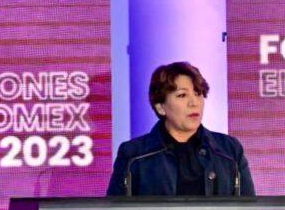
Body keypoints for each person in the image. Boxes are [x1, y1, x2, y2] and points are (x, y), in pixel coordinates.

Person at [106, 62, 255, 197]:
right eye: (182, 95)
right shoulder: (134, 155)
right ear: (161, 107)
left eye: (198, 93)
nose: (194, 102)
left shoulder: (229, 150)